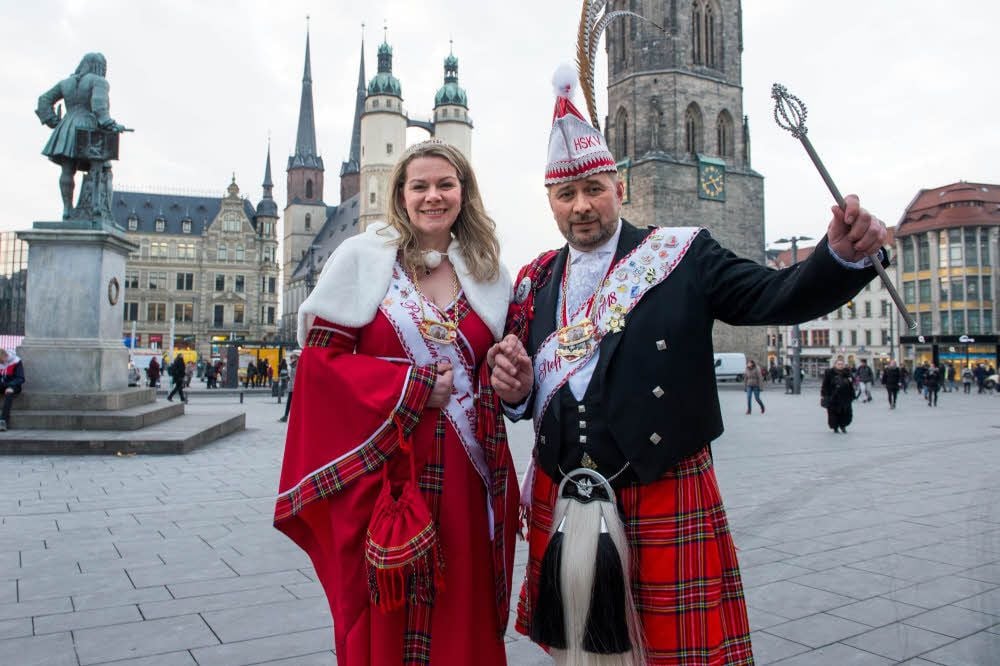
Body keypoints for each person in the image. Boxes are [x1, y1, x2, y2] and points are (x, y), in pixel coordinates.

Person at [488, 55, 889, 665]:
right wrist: (514, 389)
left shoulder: (683, 256)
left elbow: (773, 295)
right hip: (566, 495)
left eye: (594, 188)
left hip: (662, 491)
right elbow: (523, 395)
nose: (582, 207)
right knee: (577, 655)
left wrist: (838, 257)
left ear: (618, 185)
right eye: (566, 194)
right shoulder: (534, 282)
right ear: (550, 201)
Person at [273, 139, 519, 665]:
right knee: (390, 607)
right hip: (389, 474)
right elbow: (319, 367)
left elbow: (499, 372)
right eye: (420, 186)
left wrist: (511, 378)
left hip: (466, 477)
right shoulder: (364, 259)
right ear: (400, 195)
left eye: (445, 184)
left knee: (463, 609)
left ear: (464, 193)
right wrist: (410, 389)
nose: (433, 196)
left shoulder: (488, 271)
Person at [36, 52, 126, 220]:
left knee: (67, 170)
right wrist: (111, 124)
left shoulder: (66, 83)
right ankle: (97, 206)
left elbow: (44, 100)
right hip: (88, 126)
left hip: (67, 127)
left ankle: (67, 209)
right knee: (98, 166)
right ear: (100, 67)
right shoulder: (99, 82)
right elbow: (99, 107)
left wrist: (52, 120)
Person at [821, 358, 856, 433]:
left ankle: (843, 426)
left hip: (845, 396)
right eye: (839, 364)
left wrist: (851, 380)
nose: (840, 366)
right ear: (835, 365)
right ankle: (835, 427)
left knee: (846, 412)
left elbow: (853, 381)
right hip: (833, 396)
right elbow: (825, 384)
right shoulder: (829, 373)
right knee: (833, 413)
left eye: (842, 364)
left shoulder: (847, 372)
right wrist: (824, 394)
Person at [0, 349, 25, 431]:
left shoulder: (16, 361)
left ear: (5, 356)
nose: (1, 364)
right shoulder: (1, 361)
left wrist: (11, 386)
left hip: (14, 385)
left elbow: (21, 378)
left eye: (1, 361)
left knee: (9, 393)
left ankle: (3, 421)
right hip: (2, 385)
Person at [277, 351, 299, 423]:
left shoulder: (296, 364)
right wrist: (288, 378)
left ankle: (287, 416)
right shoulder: (293, 365)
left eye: (292, 357)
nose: (290, 359)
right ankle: (287, 416)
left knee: (291, 403)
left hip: (295, 387)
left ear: (295, 358)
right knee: (291, 402)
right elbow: (293, 376)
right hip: (292, 387)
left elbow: (296, 376)